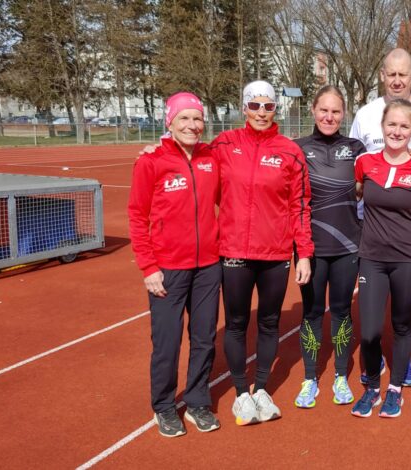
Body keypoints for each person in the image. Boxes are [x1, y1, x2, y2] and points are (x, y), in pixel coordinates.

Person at [211, 80, 314, 425]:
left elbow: (300, 205)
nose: (260, 112)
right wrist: (160, 149)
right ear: (243, 108)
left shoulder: (289, 151)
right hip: (235, 251)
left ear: (275, 110)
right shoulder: (224, 144)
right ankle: (241, 393)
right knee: (237, 323)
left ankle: (261, 389)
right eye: (254, 106)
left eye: (267, 106)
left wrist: (304, 253)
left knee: (269, 323)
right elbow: (195, 168)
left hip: (275, 254)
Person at [128, 92, 221, 437]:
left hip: (209, 265)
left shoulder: (212, 158)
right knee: (167, 342)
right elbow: (137, 215)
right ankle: (164, 406)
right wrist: (148, 267)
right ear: (169, 121)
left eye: (197, 119)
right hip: (167, 268)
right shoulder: (151, 161)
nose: (192, 125)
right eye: (184, 118)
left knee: (204, 339)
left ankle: (198, 400)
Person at [350, 47, 411, 386]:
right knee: (371, 311)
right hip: (371, 223)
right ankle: (374, 362)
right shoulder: (365, 114)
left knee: (406, 304)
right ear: (382, 76)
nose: (398, 80)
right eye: (392, 74)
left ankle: (403, 357)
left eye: (404, 74)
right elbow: (356, 169)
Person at [292, 86, 367, 408]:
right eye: (324, 110)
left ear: (344, 113)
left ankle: (339, 375)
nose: (329, 117)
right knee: (310, 312)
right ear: (312, 109)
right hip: (310, 249)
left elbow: (368, 188)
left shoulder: (355, 147)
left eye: (336, 111)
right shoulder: (296, 148)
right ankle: (310, 378)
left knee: (340, 311)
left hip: (348, 246)